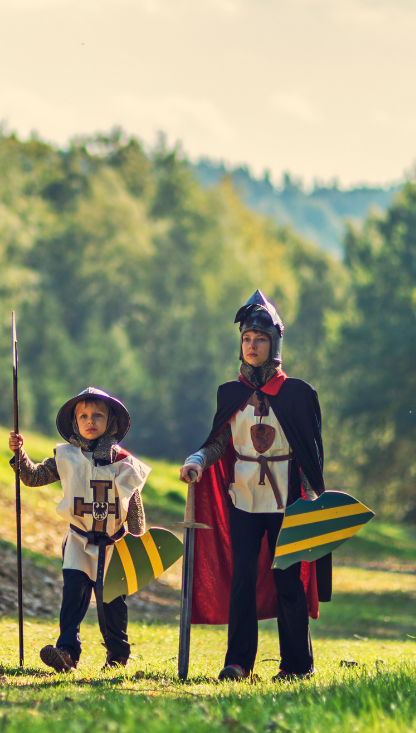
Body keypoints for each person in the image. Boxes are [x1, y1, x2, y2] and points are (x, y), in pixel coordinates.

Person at [180, 290, 330, 682]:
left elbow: (310, 453)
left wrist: (314, 498)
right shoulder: (230, 394)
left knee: (288, 580)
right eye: (246, 338)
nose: (252, 345)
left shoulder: (298, 394)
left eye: (260, 338)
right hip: (243, 500)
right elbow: (218, 443)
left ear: (274, 343)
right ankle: (238, 662)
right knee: (242, 579)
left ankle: (297, 665)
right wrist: (197, 460)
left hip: (287, 502)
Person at [9, 387, 149, 672]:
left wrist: (137, 538)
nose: (90, 421)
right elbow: (33, 477)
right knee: (72, 598)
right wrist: (19, 454)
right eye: (83, 416)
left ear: (110, 421)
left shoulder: (124, 462)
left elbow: (134, 507)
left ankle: (117, 657)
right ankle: (67, 653)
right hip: (78, 541)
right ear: (74, 421)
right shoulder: (66, 457)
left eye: (98, 415)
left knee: (112, 605)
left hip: (113, 544)